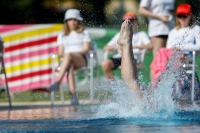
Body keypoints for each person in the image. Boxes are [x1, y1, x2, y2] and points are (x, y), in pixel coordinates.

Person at [47, 9, 91, 105]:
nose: (73, 22)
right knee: (69, 65)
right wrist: (69, 56)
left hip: (81, 59)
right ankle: (73, 96)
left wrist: (71, 55)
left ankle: (57, 83)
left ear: (79, 21)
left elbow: (86, 49)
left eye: (75, 19)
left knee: (68, 55)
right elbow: (60, 52)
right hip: (68, 61)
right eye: (70, 19)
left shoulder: (84, 33)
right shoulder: (62, 35)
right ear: (67, 21)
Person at [102, 12, 152, 80]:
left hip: (134, 57)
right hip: (120, 57)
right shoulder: (118, 35)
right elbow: (105, 47)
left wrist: (135, 47)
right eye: (125, 21)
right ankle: (114, 87)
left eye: (130, 20)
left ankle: (132, 87)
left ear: (135, 22)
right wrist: (117, 47)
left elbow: (150, 46)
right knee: (105, 64)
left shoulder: (141, 34)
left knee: (130, 73)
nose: (127, 23)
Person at [139, 0, 175, 82]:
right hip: (158, 29)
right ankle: (154, 86)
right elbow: (141, 10)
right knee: (158, 59)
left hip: (171, 29)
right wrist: (159, 16)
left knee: (170, 60)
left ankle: (169, 85)